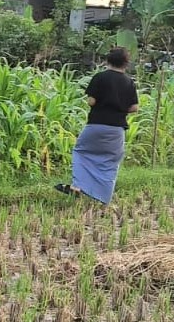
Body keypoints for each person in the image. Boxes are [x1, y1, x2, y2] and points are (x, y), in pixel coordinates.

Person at [56, 47, 139, 205]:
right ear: (126, 64)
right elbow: (134, 108)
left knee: (81, 152)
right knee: (110, 162)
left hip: (96, 125)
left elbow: (91, 101)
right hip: (117, 129)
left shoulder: (100, 77)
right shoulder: (129, 82)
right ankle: (104, 200)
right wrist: (120, 108)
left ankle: (77, 186)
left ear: (107, 61)